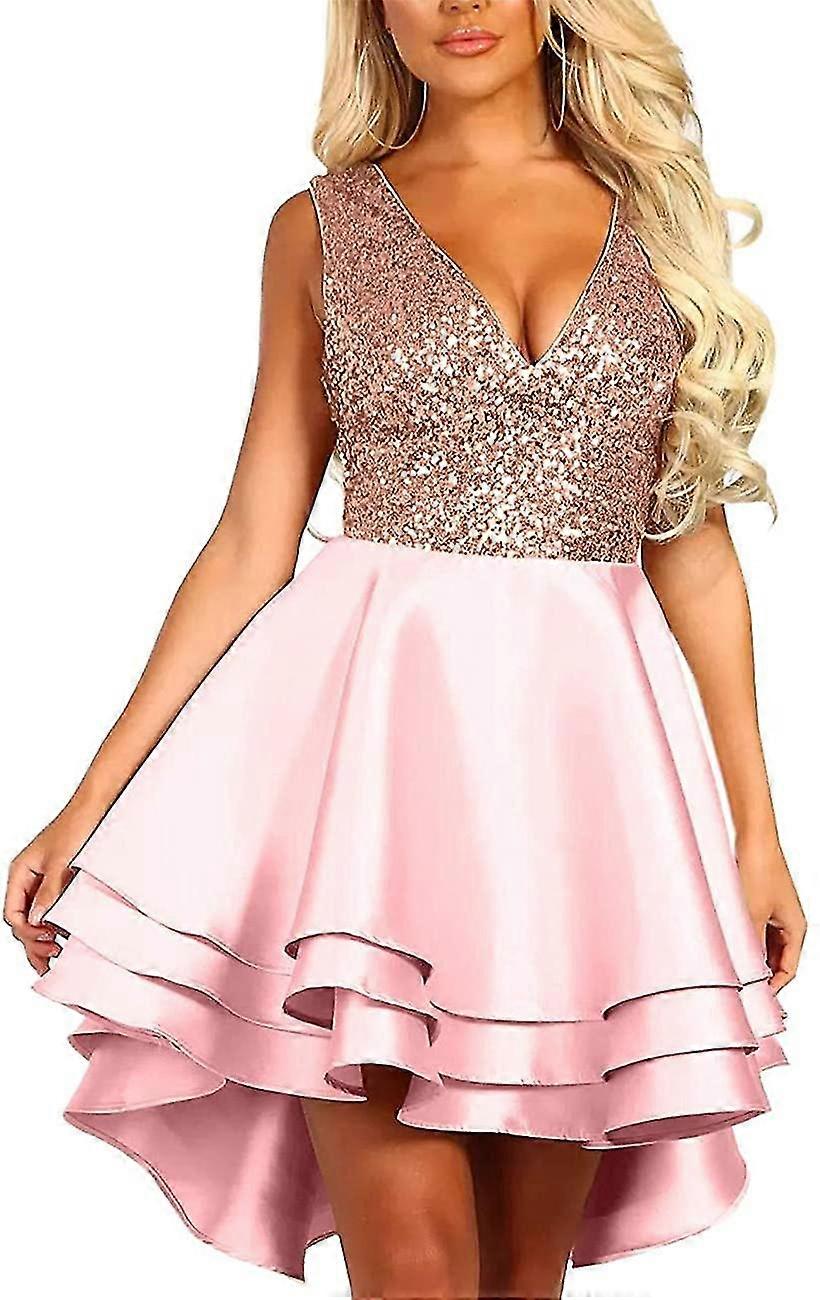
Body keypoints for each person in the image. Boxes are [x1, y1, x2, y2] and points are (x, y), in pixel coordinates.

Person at [5, 2, 806, 1297]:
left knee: (522, 1277)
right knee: (419, 1270)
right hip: (375, 783)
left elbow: (695, 551)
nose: (459, 3)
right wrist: (86, 803)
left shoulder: (665, 218)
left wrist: (756, 835)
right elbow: (254, 536)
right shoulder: (323, 226)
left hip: (582, 798)